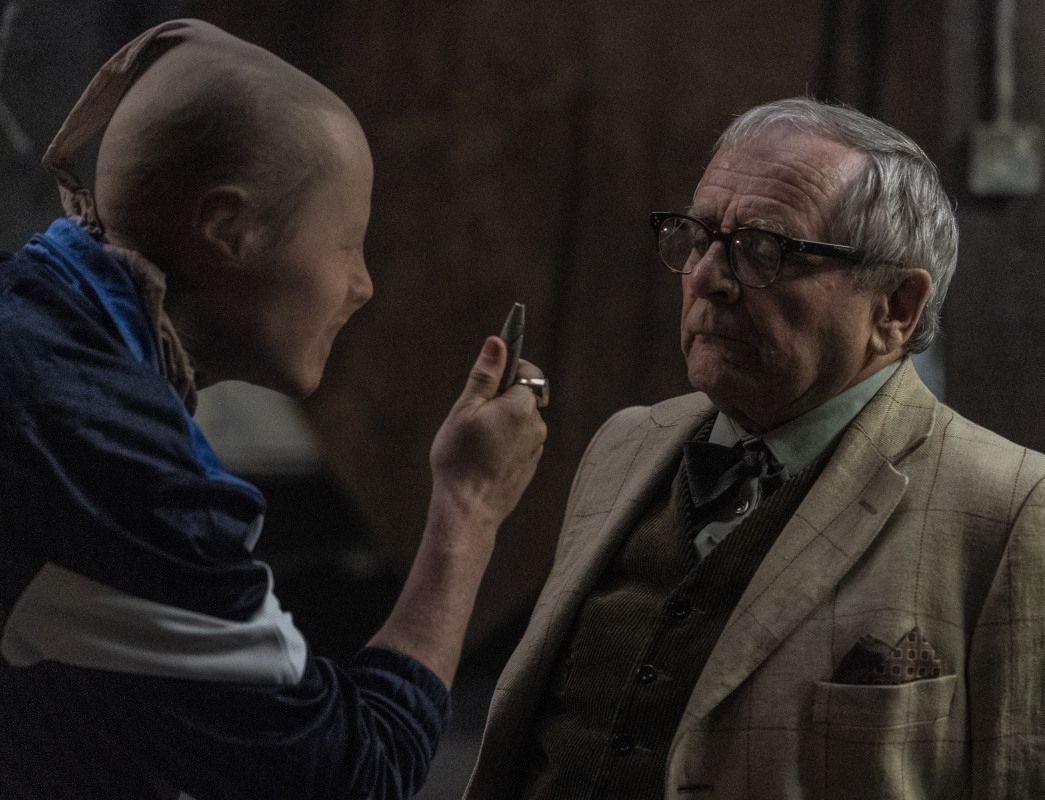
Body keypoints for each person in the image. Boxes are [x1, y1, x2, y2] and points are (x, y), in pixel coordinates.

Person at [0, 18, 547, 800]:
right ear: (228, 228)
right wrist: (468, 507)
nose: (362, 286)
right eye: (346, 243)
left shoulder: (37, 332)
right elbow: (349, 772)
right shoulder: (104, 452)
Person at [465, 97, 1045, 799]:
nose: (706, 278)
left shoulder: (1010, 507)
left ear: (895, 305)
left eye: (762, 249)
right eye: (696, 236)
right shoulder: (625, 445)